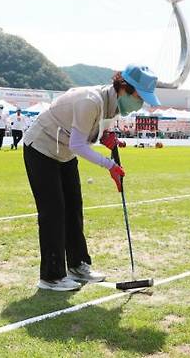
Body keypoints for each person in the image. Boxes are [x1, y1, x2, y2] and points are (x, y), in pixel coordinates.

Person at [23, 64, 160, 291]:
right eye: (140, 97)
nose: (141, 104)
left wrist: (106, 137)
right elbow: (78, 144)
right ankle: (51, 276)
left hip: (64, 154)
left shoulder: (112, 105)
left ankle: (77, 264)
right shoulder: (91, 100)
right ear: (125, 88)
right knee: (53, 211)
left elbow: (91, 131)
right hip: (41, 149)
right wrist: (110, 166)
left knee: (74, 208)